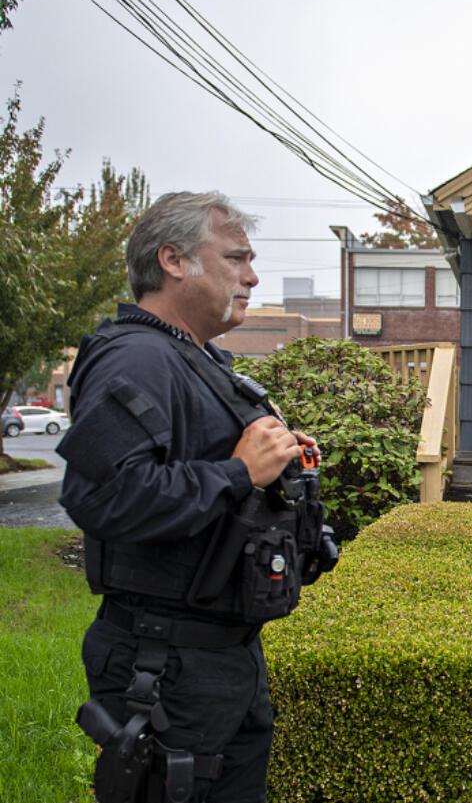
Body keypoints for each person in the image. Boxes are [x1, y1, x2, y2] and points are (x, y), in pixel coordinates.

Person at [59, 191, 337, 802]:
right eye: (236, 258)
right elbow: (102, 494)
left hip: (222, 655)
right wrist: (238, 472)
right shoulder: (135, 356)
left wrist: (277, 460)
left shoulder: (199, 360)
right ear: (174, 261)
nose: (252, 275)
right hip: (163, 663)